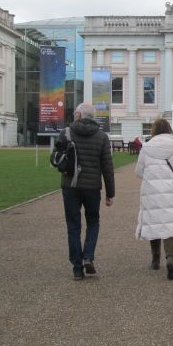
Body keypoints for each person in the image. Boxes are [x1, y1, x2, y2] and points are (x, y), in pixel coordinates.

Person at [54, 103, 115, 280]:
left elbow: (56, 158)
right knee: (93, 222)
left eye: (75, 113)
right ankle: (88, 255)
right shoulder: (102, 136)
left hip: (70, 186)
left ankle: (77, 268)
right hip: (92, 187)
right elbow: (107, 167)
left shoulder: (66, 132)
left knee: (73, 226)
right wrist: (110, 193)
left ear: (80, 115)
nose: (74, 115)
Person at [135, 118, 173, 280]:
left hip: (151, 190)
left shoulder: (146, 147)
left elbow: (139, 172)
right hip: (170, 190)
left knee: (154, 221)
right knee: (169, 225)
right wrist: (171, 178)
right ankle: (170, 259)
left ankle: (155, 260)